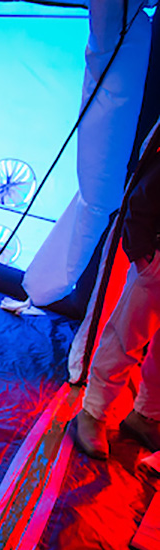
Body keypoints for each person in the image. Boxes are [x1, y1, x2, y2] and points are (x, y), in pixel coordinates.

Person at [74, 148, 160, 460]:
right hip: (157, 261)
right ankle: (93, 413)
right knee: (126, 338)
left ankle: (146, 415)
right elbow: (144, 197)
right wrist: (143, 255)